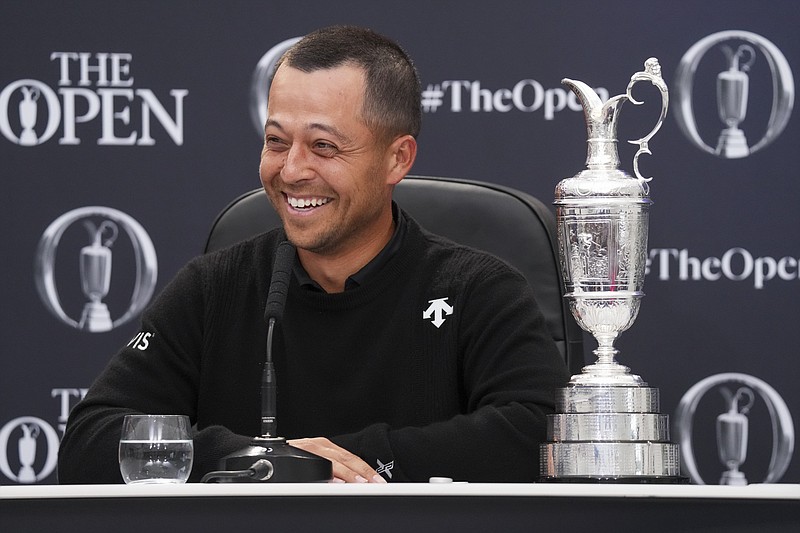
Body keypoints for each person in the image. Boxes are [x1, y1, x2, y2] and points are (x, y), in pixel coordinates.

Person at [58, 25, 569, 484]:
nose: (291, 170)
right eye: (276, 141)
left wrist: (360, 458)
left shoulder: (479, 289)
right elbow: (90, 442)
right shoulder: (212, 288)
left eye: (323, 147)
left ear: (397, 158)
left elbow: (540, 436)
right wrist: (254, 459)